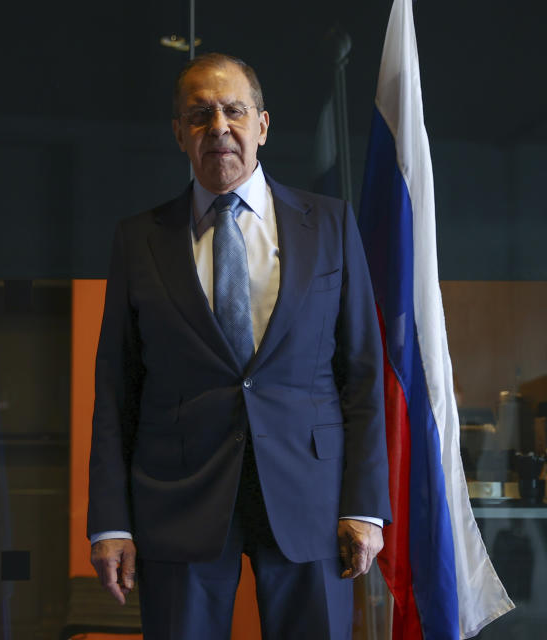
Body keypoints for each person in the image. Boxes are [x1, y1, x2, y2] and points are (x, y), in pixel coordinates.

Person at [87, 53, 391, 639]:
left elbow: (363, 375)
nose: (218, 127)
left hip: (311, 497)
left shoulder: (329, 225)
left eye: (233, 110)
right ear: (179, 133)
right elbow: (115, 390)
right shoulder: (139, 240)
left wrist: (364, 505)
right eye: (199, 115)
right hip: (178, 499)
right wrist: (109, 524)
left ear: (263, 125)